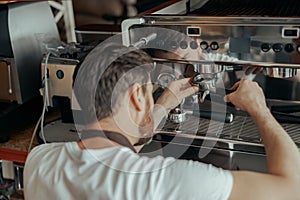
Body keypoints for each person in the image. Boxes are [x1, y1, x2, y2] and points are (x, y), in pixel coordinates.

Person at [24, 43, 300, 200]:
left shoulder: (39, 161)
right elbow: (291, 187)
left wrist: (163, 104)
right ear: (135, 98)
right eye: (147, 89)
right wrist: (259, 109)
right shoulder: (170, 181)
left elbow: (116, 144)